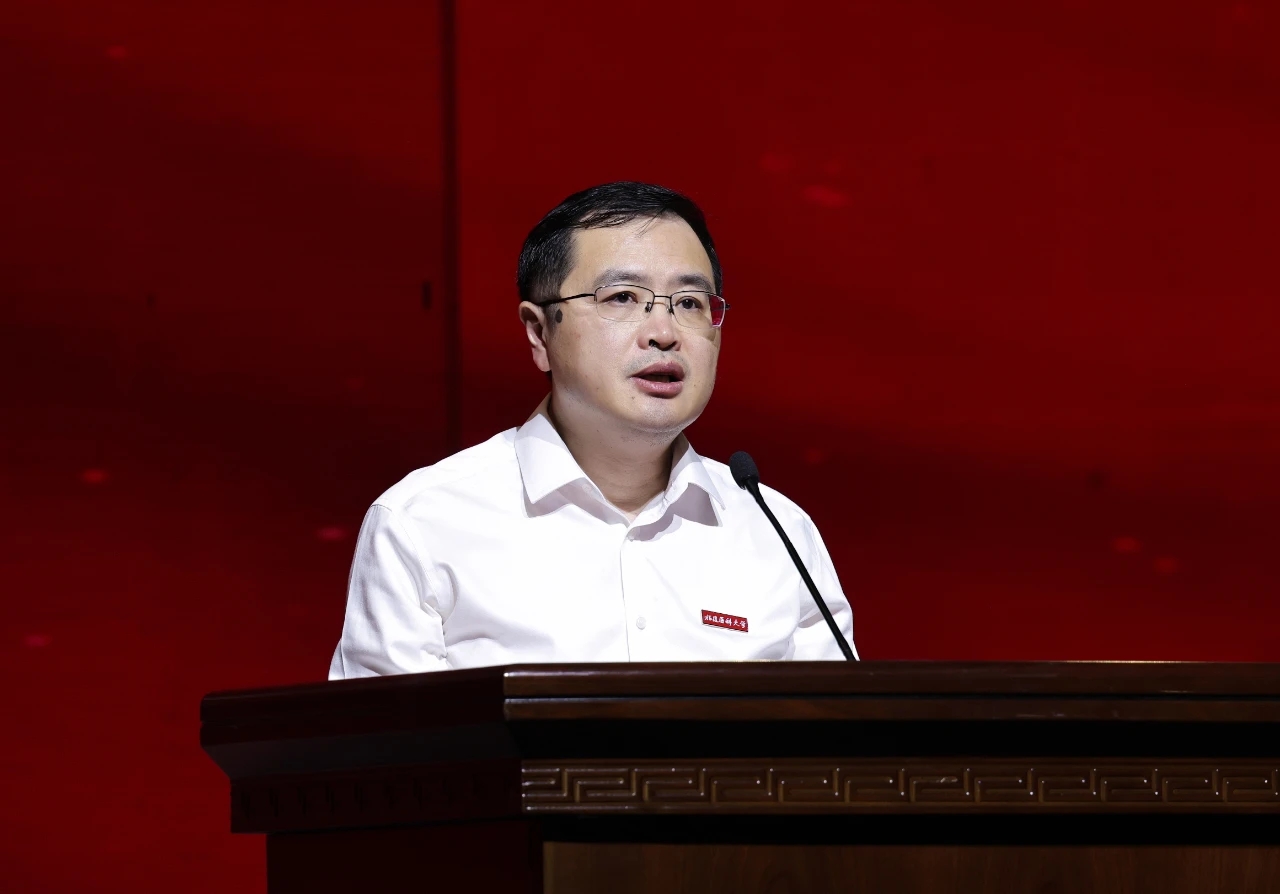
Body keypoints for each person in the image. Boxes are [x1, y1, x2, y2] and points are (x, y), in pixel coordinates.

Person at [329, 181, 857, 677]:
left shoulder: (777, 532)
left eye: (690, 303)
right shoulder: (425, 523)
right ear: (539, 333)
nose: (664, 332)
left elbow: (842, 736)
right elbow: (387, 741)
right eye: (622, 297)